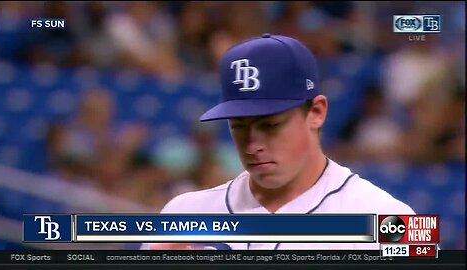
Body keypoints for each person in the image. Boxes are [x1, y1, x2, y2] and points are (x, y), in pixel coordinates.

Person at [141, 34, 415, 250]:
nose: (252, 145)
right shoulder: (184, 214)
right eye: (238, 126)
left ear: (316, 112)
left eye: (269, 125)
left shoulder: (389, 220)